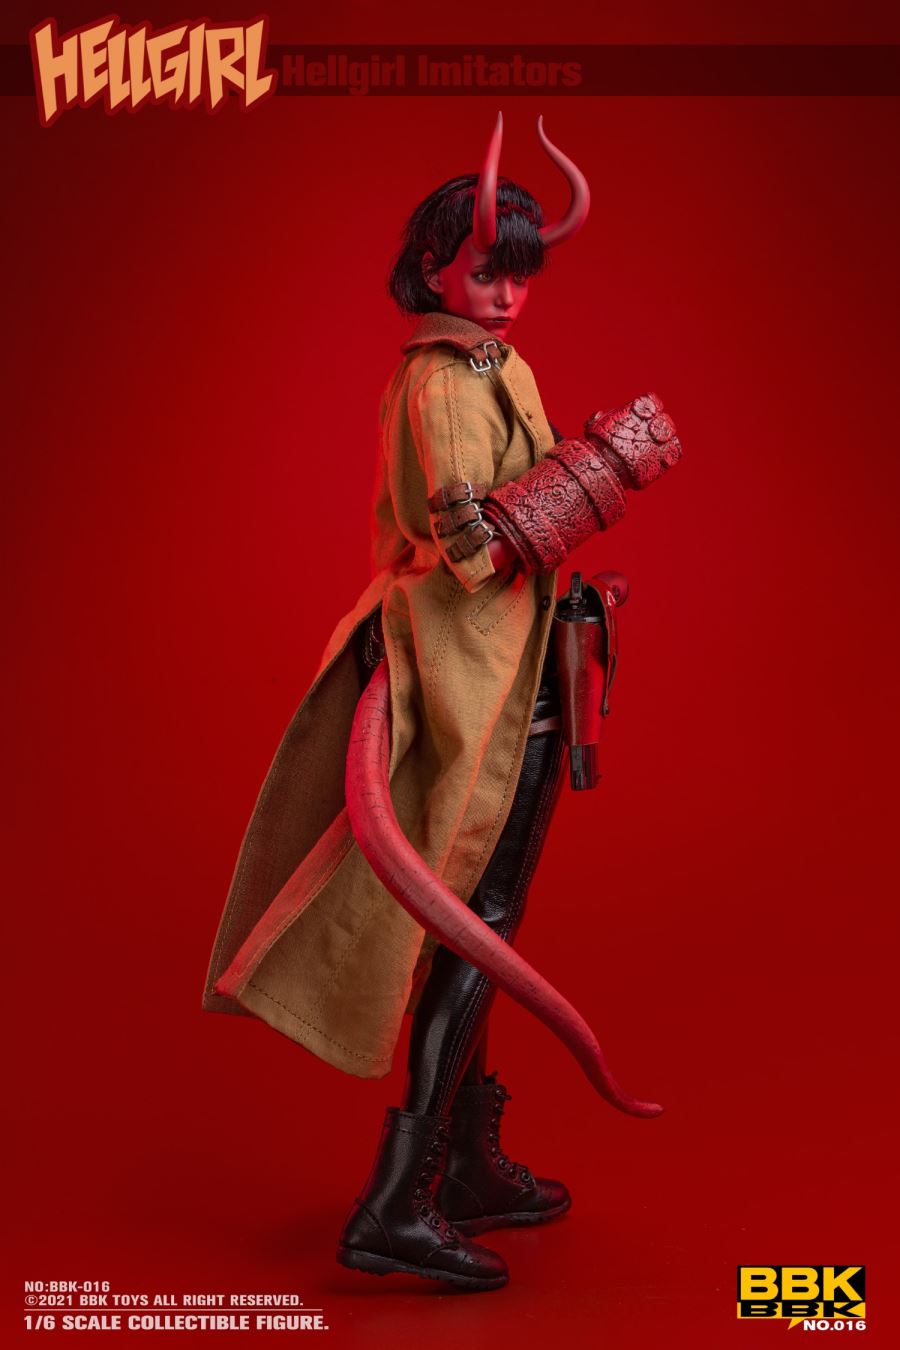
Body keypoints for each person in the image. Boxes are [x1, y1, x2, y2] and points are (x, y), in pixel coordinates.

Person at [203, 113, 682, 1293]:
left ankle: (465, 1162)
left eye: (520, 274)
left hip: (518, 669)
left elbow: (521, 516)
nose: (506, 295)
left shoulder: (495, 365)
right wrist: (601, 473)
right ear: (432, 268)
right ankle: (397, 1202)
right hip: (463, 677)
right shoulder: (437, 382)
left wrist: (579, 487)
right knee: (477, 923)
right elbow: (473, 547)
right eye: (484, 271)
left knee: (489, 922)